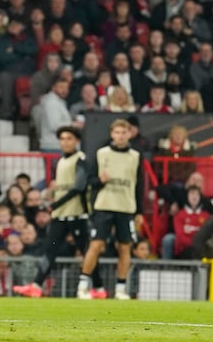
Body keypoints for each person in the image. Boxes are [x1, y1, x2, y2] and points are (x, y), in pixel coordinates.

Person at [12, 126, 90, 297]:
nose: (65, 142)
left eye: (69, 138)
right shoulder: (61, 161)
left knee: (86, 251)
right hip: (61, 215)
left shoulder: (80, 159)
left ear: (77, 141)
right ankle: (37, 285)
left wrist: (54, 204)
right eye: (62, 139)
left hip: (76, 214)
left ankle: (96, 286)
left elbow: (78, 188)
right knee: (50, 249)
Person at [77, 119, 141, 300]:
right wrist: (100, 181)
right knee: (96, 244)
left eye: (124, 132)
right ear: (112, 134)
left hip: (126, 207)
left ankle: (121, 288)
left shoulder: (135, 156)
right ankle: (82, 286)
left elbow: (139, 184)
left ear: (129, 134)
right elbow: (90, 181)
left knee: (125, 247)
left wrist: (140, 212)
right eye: (117, 132)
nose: (120, 136)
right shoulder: (101, 154)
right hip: (104, 205)